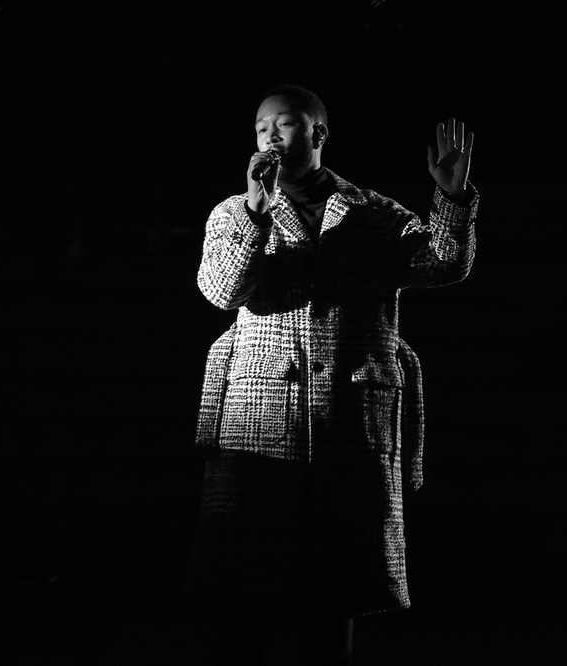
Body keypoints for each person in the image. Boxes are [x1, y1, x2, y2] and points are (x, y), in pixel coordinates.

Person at [188, 84, 477, 664]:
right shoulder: (232, 212)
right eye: (262, 126)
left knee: (336, 594)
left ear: (318, 134)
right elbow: (221, 290)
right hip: (260, 419)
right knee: (247, 592)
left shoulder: (373, 213)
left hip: (348, 419)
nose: (271, 135)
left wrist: (451, 198)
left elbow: (442, 265)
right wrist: (255, 214)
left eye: (286, 123)